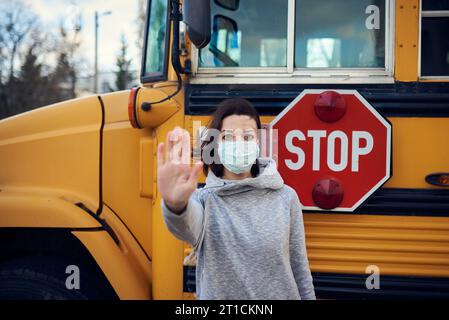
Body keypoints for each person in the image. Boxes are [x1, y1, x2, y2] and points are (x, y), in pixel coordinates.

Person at [156, 98, 316, 300]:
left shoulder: (286, 197)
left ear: (258, 142)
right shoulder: (204, 201)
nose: (238, 143)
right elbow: (184, 224)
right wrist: (175, 204)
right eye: (227, 137)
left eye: (247, 137)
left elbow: (300, 270)